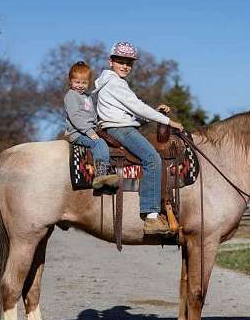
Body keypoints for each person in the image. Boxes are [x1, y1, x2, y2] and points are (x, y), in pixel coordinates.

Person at [93, 41, 184, 235]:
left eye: (129, 62)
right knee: (152, 159)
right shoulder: (114, 82)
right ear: (111, 62)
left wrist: (153, 112)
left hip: (119, 127)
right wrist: (168, 121)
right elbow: (137, 107)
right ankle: (151, 216)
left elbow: (132, 110)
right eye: (120, 61)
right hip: (121, 130)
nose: (125, 66)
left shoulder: (111, 82)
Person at [64, 61, 118, 189]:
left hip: (88, 129)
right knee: (98, 143)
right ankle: (101, 173)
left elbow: (93, 116)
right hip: (77, 133)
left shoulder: (87, 97)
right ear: (70, 81)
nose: (80, 86)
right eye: (77, 82)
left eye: (84, 83)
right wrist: (90, 132)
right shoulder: (71, 96)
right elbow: (75, 118)